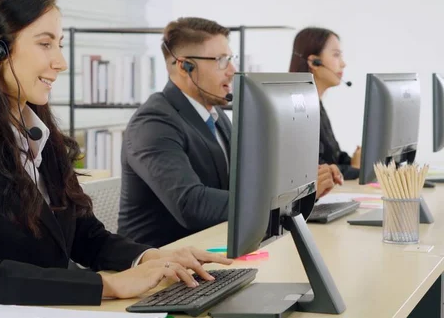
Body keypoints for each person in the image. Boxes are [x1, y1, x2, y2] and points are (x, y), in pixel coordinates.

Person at [0, 0, 231, 317]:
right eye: (45, 44)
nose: (61, 62)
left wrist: (150, 258)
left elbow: (86, 235)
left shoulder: (39, 133)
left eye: (60, 44)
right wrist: (107, 286)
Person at [117, 17, 340, 248]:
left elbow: (247, 180)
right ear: (185, 66)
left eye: (230, 59)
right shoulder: (154, 123)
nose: (232, 71)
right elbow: (191, 204)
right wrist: (278, 199)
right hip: (159, 265)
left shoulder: (216, 116)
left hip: (210, 249)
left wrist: (301, 189)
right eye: (221, 61)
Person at [289, 27, 361, 180]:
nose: (343, 64)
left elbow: (332, 157)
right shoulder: (300, 110)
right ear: (314, 62)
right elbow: (318, 168)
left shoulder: (316, 104)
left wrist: (356, 160)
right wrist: (354, 168)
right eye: (336, 55)